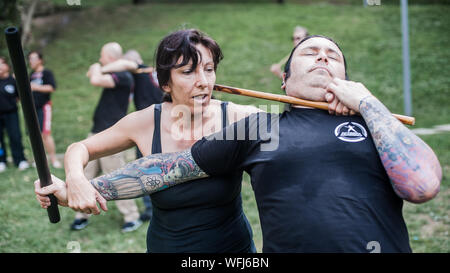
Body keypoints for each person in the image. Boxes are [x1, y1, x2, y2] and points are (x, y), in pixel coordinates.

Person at [37, 35, 442, 253]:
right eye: (310, 52)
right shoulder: (259, 127)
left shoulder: (376, 125)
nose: (322, 57)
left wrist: (369, 105)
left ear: (347, 78)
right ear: (284, 80)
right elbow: (164, 169)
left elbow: (422, 185)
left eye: (333, 55)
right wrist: (79, 187)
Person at [37, 29, 271, 253]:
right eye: (188, 72)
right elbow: (80, 148)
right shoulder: (146, 122)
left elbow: (292, 145)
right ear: (165, 83)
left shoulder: (239, 118)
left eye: (209, 69)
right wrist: (75, 179)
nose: (203, 81)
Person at [69, 42, 142, 233]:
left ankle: (132, 217)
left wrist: (96, 67)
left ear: (110, 57)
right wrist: (98, 69)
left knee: (117, 178)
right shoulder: (114, 73)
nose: (100, 59)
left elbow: (94, 79)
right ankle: (81, 215)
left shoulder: (123, 76)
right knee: (84, 175)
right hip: (96, 132)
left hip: (112, 137)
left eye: (102, 56)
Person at [101, 49, 164, 222]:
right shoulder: (151, 73)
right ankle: (154, 208)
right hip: (159, 122)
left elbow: (123, 64)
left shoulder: (138, 68)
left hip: (149, 125)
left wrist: (100, 69)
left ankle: (152, 210)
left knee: (145, 168)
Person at [28, 51, 61, 169]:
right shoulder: (31, 74)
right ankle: (41, 161)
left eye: (33, 59)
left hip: (44, 107)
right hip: (32, 109)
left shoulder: (46, 73)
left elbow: (52, 87)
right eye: (29, 59)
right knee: (35, 135)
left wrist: (35, 87)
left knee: (45, 134)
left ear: (40, 60)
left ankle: (53, 159)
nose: (30, 61)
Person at [0, 57, 29, 172]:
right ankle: (1, 160)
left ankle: (20, 160)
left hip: (12, 114)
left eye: (1, 64)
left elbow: (19, 97)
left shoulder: (13, 81)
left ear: (7, 66)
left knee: (15, 136)